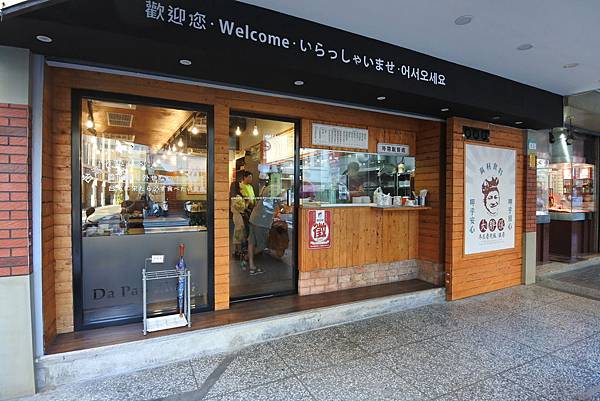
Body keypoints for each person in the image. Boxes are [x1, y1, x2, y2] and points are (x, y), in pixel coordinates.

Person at [247, 184, 280, 275]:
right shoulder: (276, 191)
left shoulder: (267, 188)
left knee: (251, 242)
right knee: (262, 245)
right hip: (262, 221)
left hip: (254, 217)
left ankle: (251, 265)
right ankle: (247, 257)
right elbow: (280, 207)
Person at [229, 181, 247, 260]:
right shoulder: (238, 197)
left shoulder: (232, 196)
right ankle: (239, 251)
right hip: (239, 216)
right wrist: (247, 203)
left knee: (236, 232)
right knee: (239, 233)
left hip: (235, 216)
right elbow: (242, 207)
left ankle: (236, 250)